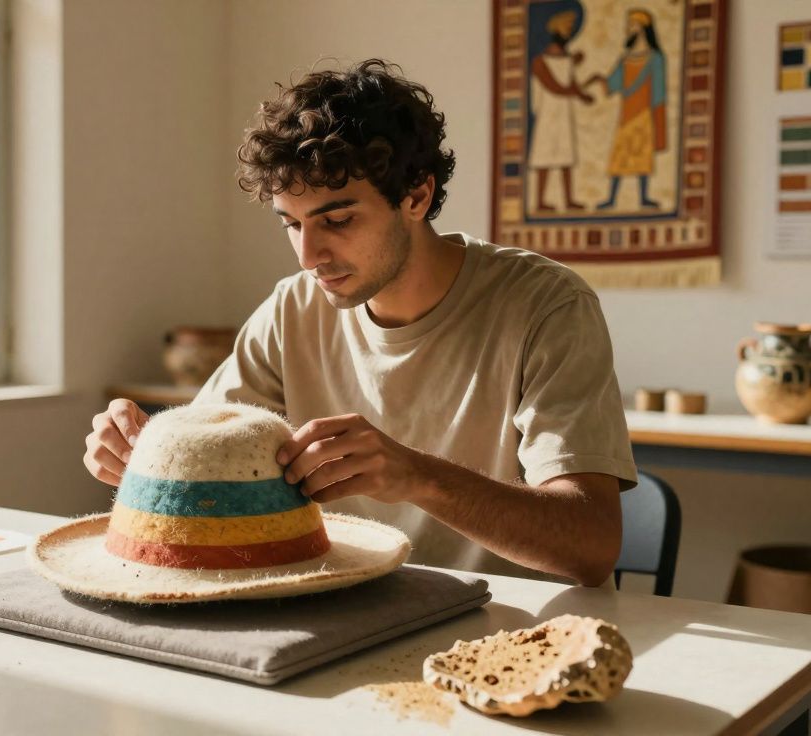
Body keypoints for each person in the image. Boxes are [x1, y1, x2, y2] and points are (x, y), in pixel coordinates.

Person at [84, 60, 636, 586]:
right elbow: (203, 470)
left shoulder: (547, 305)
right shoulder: (291, 309)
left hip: (517, 634)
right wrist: (141, 452)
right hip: (353, 616)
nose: (308, 256)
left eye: (338, 220)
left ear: (416, 195)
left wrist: (418, 477)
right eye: (291, 225)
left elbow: (590, 547)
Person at [588, 9, 668, 210]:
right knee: (620, 157)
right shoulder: (625, 59)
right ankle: (612, 199)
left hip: (643, 114)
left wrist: (658, 118)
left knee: (642, 156)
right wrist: (599, 80)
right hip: (626, 115)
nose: (628, 29)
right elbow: (612, 85)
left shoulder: (655, 59)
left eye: (632, 25)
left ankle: (643, 198)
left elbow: (658, 92)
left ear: (642, 28)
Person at [529, 9, 594, 213]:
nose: (568, 32)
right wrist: (575, 92)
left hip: (564, 115)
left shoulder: (566, 59)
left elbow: (570, 81)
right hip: (548, 115)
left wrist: (582, 95)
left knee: (566, 157)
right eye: (566, 28)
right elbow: (554, 85)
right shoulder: (540, 61)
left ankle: (568, 199)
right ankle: (540, 201)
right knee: (544, 158)